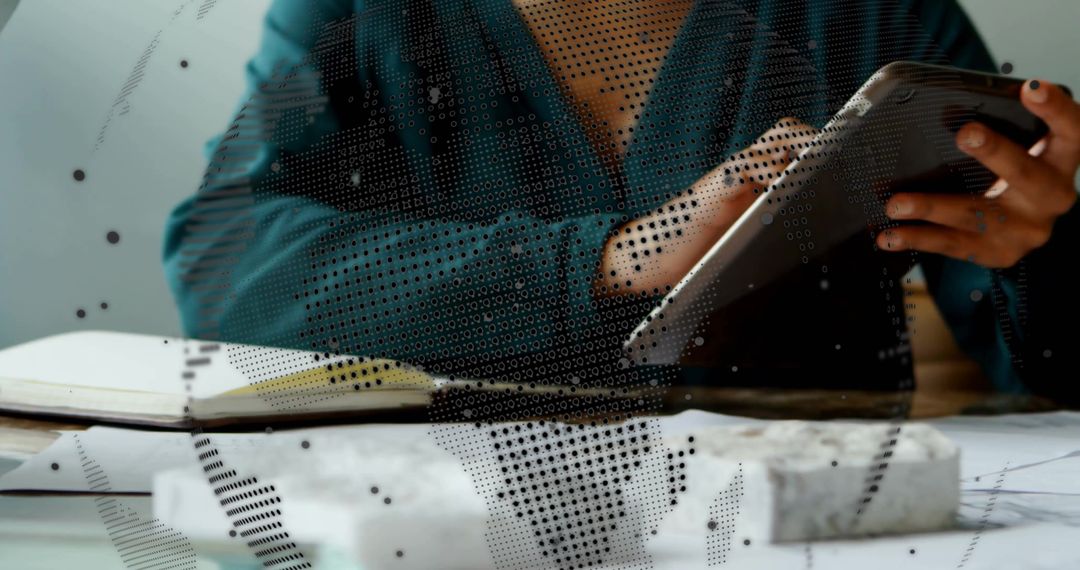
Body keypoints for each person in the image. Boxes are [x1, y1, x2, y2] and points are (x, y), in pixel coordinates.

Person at [164, 0, 1080, 404]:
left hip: (803, 528)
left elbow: (1034, 371)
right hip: (431, 525)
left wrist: (1045, 243)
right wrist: (614, 256)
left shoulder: (869, 13)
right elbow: (223, 259)